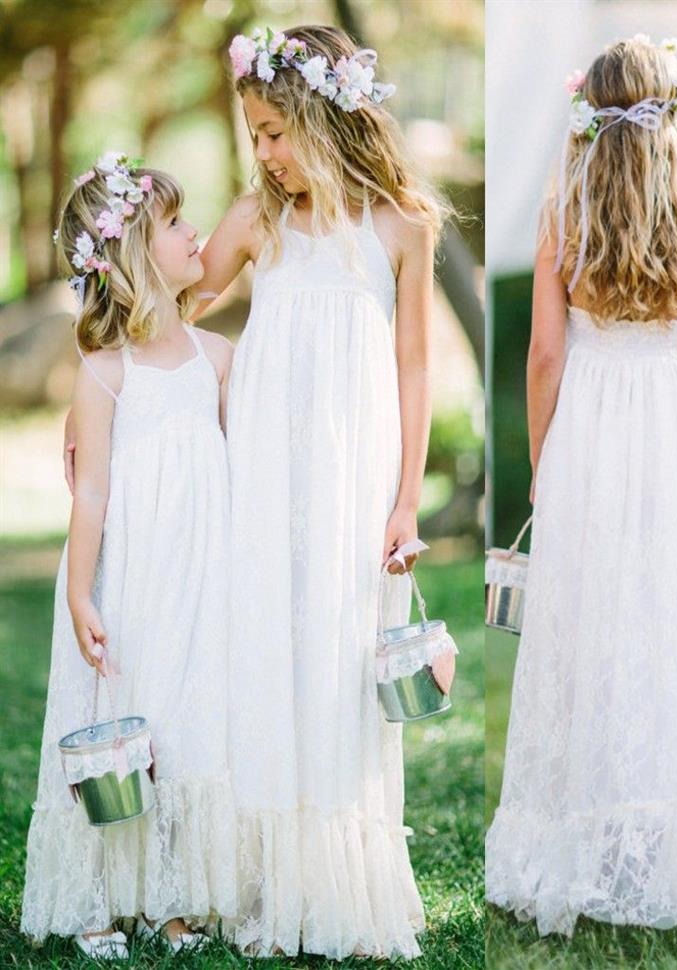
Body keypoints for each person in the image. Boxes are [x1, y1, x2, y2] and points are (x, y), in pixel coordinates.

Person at [485, 35, 677, 935]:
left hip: (591, 424)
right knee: (663, 630)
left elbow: (546, 354)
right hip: (670, 427)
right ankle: (646, 858)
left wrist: (542, 465)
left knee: (582, 626)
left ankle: (568, 841)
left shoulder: (565, 206)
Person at [195, 25, 450, 958]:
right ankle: (267, 871)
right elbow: (178, 304)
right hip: (264, 468)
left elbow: (414, 367)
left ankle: (338, 877)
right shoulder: (261, 219)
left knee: (339, 654)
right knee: (270, 639)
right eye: (252, 135)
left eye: (273, 133)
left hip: (353, 470)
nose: (262, 153)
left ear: (321, 118)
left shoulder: (399, 226)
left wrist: (405, 500)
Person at [23, 154, 236, 958]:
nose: (196, 235)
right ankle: (100, 896)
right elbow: (95, 496)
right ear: (135, 255)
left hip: (200, 580)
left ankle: (172, 898)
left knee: (184, 726)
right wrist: (81, 594)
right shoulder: (104, 374)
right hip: (131, 583)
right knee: (121, 728)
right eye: (177, 225)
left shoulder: (217, 359)